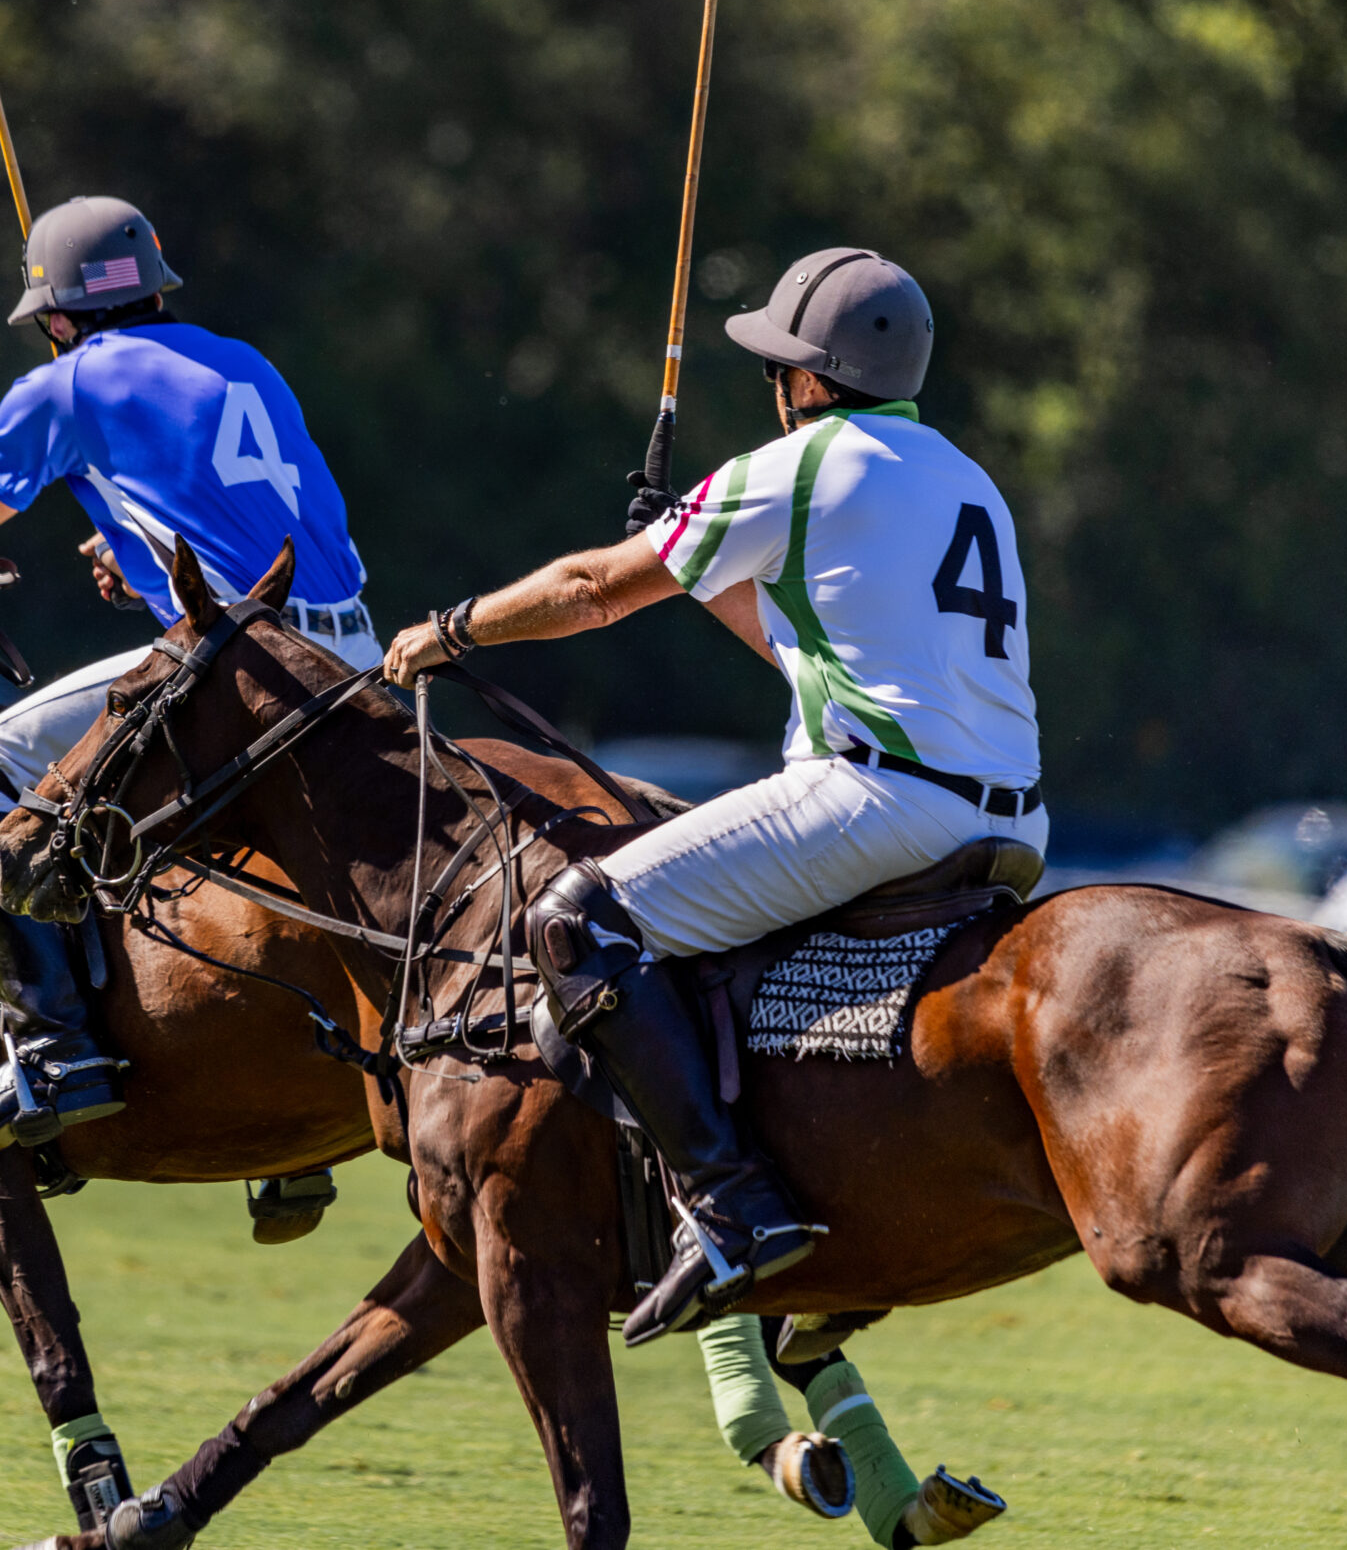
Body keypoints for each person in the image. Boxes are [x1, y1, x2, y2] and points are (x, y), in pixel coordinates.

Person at [385, 248, 1045, 1345]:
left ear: (809, 380)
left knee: (577, 919)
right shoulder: (963, 478)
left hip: (872, 801)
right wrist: (698, 564)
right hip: (1008, 823)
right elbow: (814, 660)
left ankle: (728, 1203)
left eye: (781, 369)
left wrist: (453, 629)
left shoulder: (799, 465)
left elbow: (591, 590)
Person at [0, 194, 378, 1161]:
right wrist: (148, 560)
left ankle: (55, 1047)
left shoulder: (66, 389)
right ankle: (283, 1159)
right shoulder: (245, 361)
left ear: (62, 317)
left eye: (48, 327)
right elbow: (266, 523)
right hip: (360, 652)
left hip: (244, 668)